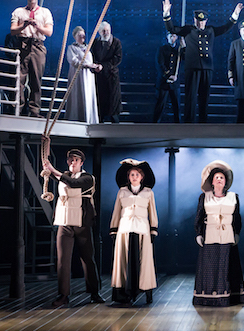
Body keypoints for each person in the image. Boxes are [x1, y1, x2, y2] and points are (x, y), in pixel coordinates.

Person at [163, 0, 243, 123]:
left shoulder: (211, 30)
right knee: (191, 96)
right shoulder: (188, 30)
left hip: (207, 67)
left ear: (206, 21)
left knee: (204, 97)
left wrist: (235, 14)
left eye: (202, 21)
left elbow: (225, 28)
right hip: (192, 67)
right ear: (194, 20)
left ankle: (203, 122)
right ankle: (189, 122)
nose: (200, 23)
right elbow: (172, 29)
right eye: (198, 21)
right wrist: (166, 14)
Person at [43, 149, 104, 307]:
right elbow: (56, 175)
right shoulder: (64, 176)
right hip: (65, 222)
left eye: (76, 160)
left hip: (82, 223)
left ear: (81, 163)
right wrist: (47, 166)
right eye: (70, 159)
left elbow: (73, 183)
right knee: (63, 260)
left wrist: (52, 169)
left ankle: (94, 292)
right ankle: (63, 295)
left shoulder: (87, 178)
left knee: (87, 258)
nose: (72, 162)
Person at [193, 160, 244, 306]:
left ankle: (227, 296)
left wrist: (236, 233)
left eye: (222, 177)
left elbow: (237, 217)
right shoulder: (204, 197)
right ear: (212, 181)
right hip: (210, 235)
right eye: (216, 177)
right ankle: (208, 296)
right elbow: (199, 216)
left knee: (226, 266)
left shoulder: (233, 197)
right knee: (210, 266)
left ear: (226, 181)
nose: (219, 180)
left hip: (227, 235)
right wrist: (199, 233)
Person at [110, 159, 158, 305]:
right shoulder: (122, 192)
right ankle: (125, 293)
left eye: (137, 174)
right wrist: (113, 229)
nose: (134, 177)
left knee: (143, 262)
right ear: (128, 177)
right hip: (125, 229)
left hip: (142, 230)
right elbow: (117, 211)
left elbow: (153, 212)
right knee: (124, 261)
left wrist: (153, 229)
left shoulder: (148, 193)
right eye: (132, 174)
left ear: (142, 177)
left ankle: (145, 291)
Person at [9, 0, 53, 117]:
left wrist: (37, 27)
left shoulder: (45, 12)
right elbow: (12, 30)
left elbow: (49, 32)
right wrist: (25, 25)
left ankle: (34, 110)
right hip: (22, 45)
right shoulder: (18, 11)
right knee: (19, 79)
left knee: (36, 79)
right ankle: (17, 109)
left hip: (38, 45)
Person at [65, 26, 99, 124]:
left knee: (87, 95)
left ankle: (89, 119)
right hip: (78, 76)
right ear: (75, 36)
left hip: (88, 77)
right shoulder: (71, 48)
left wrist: (95, 66)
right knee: (78, 96)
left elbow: (92, 60)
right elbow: (73, 61)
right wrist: (87, 65)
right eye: (79, 35)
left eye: (83, 35)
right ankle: (75, 118)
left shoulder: (88, 48)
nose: (82, 37)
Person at [92, 21, 122, 123]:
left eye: (108, 30)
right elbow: (92, 56)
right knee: (100, 102)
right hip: (99, 77)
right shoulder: (95, 42)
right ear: (100, 32)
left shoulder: (116, 42)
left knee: (113, 102)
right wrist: (95, 65)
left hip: (111, 76)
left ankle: (115, 125)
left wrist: (103, 66)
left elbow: (117, 58)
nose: (106, 33)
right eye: (104, 31)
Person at [153, 32, 185, 123]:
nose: (172, 38)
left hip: (175, 84)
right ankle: (155, 126)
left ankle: (178, 126)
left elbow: (186, 58)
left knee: (177, 107)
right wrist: (168, 75)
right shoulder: (162, 49)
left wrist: (184, 47)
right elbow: (160, 64)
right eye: (170, 36)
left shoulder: (179, 50)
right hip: (163, 83)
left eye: (174, 36)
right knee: (160, 106)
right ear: (167, 37)